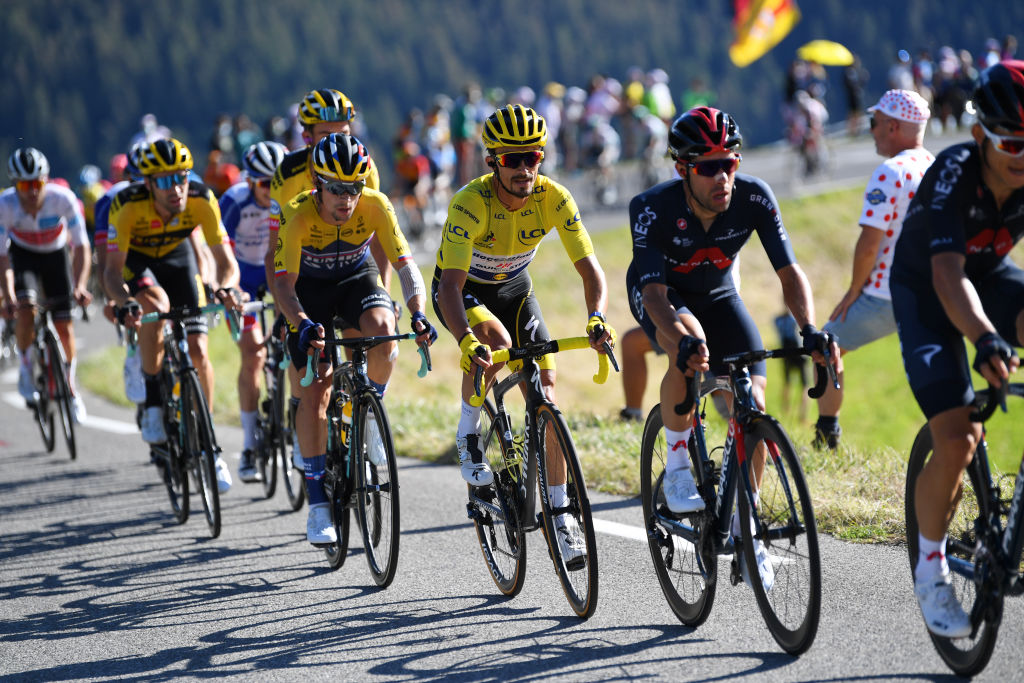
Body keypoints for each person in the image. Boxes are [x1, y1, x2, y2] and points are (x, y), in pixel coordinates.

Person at [626, 106, 836, 588]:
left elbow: (789, 272)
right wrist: (678, 341)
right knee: (691, 343)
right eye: (708, 166)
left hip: (720, 294)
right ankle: (678, 463)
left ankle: (748, 525)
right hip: (661, 295)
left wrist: (811, 330)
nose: (722, 177)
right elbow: (655, 296)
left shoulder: (754, 198)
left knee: (754, 407)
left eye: (730, 163)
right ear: (682, 169)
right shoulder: (653, 207)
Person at [433, 104, 614, 564]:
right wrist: (464, 340)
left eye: (532, 157)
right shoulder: (470, 203)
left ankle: (559, 512)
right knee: (493, 343)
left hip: (515, 289)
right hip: (462, 292)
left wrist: (596, 317)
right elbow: (450, 287)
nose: (524, 168)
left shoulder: (554, 197)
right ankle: (468, 433)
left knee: (547, 392)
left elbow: (591, 271)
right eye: (512, 159)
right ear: (493, 160)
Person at [891, 60, 1024, 638]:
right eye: (1013, 142)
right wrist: (985, 338)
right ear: (979, 136)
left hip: (990, 274)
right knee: (959, 435)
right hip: (927, 291)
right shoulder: (951, 174)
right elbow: (948, 277)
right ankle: (931, 568)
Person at [273, 133, 436, 546]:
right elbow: (284, 286)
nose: (346, 198)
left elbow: (405, 264)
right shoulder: (297, 214)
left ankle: (367, 415)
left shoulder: (376, 205)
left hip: (355, 277)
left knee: (384, 331)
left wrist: (417, 312)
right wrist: (302, 323)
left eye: (354, 188)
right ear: (316, 183)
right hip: (309, 291)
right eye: (336, 189)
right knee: (317, 388)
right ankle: (317, 504)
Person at [104, 138, 241, 493]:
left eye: (180, 177)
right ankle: (152, 400)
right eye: (164, 181)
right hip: (138, 261)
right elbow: (110, 272)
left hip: (178, 257)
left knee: (198, 349)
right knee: (155, 305)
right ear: (147, 184)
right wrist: (124, 302)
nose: (176, 188)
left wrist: (225, 288)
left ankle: (209, 445)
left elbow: (226, 262)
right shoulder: (127, 204)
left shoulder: (200, 197)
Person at [267, 89, 392, 468]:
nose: (339, 139)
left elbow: (379, 233)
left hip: (352, 271)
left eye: (345, 131)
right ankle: (302, 422)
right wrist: (283, 304)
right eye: (326, 134)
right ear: (307, 136)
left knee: (371, 341)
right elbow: (275, 248)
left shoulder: (363, 165)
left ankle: (364, 417)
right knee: (308, 374)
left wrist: (383, 290)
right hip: (303, 275)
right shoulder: (287, 175)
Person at [814, 90, 935, 449]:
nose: (872, 131)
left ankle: (827, 434)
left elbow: (870, 244)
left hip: (885, 292)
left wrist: (854, 291)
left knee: (825, 346)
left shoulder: (890, 172)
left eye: (875, 123)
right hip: (930, 290)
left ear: (894, 127)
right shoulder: (934, 164)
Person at [0, 147, 92, 423]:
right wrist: (7, 296)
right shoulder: (5, 205)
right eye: (24, 185)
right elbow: (2, 257)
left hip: (56, 254)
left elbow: (83, 247)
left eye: (37, 183)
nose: (31, 191)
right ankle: (27, 366)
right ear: (14, 184)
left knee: (64, 326)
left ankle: (71, 391)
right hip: (23, 255)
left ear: (46, 180)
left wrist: (81, 285)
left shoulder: (63, 199)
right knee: (26, 308)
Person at [219, 141, 288, 482]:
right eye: (264, 184)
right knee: (253, 355)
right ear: (249, 182)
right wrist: (229, 290)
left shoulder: (288, 197)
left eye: (276, 182)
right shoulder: (233, 202)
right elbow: (220, 253)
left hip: (277, 272)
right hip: (242, 276)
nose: (271, 190)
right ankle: (248, 445)